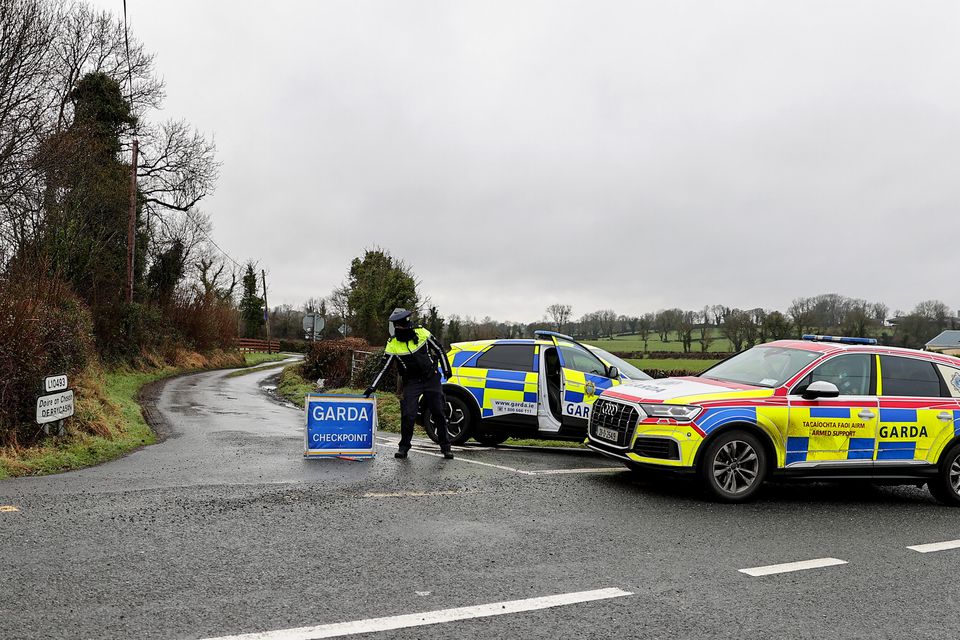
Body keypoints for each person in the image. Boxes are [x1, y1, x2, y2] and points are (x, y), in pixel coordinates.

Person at [364, 308, 454, 460]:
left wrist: (446, 369)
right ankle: (403, 448)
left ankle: (446, 447)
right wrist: (372, 387)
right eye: (396, 326)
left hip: (430, 377)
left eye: (400, 326)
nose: (398, 329)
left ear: (407, 324)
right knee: (408, 414)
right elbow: (384, 367)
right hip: (412, 381)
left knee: (438, 411)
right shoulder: (392, 343)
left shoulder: (422, 333)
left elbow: (438, 349)